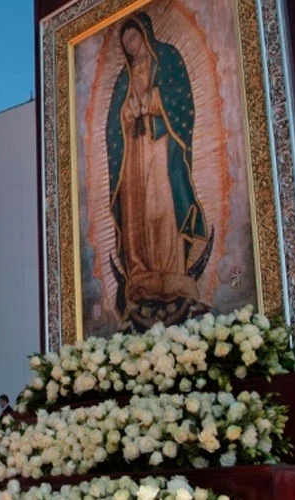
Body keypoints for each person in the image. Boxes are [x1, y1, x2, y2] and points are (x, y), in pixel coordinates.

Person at [105, 11, 206, 317]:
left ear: (145, 34)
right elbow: (113, 121)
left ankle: (172, 271)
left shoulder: (168, 59)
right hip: (133, 152)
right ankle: (140, 274)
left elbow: (181, 98)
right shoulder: (124, 77)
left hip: (160, 146)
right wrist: (127, 114)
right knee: (136, 212)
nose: (131, 46)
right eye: (125, 43)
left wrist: (150, 103)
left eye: (133, 38)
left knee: (161, 205)